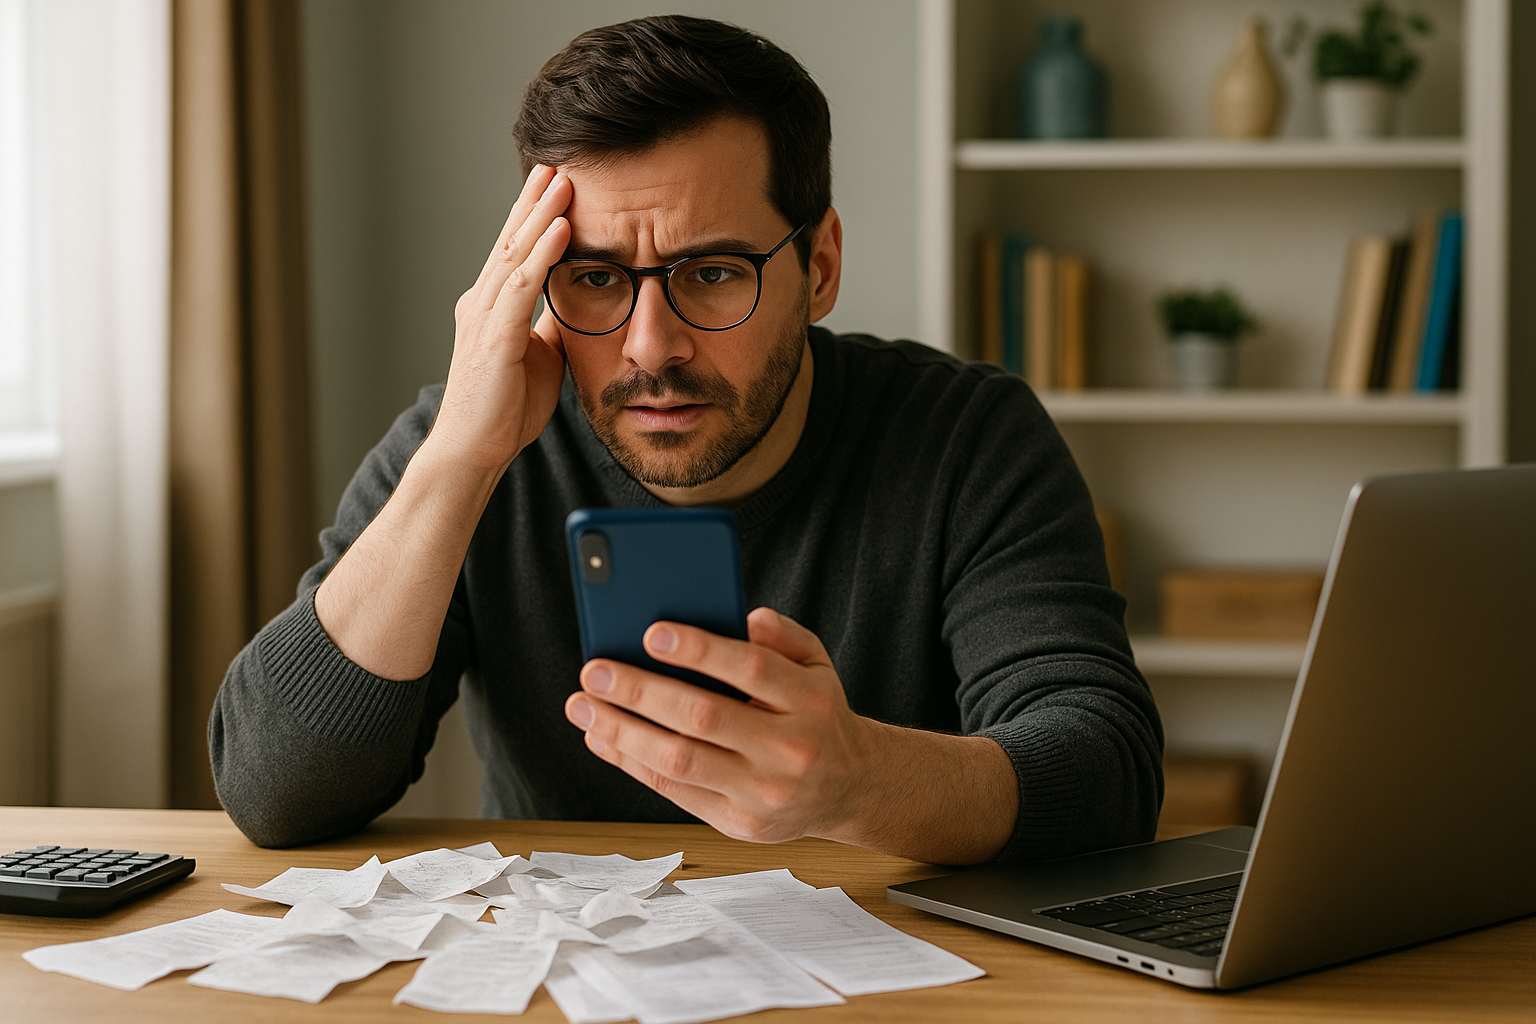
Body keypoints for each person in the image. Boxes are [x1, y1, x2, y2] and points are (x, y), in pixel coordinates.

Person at [210, 15, 1162, 864]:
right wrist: (458, 458)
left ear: (819, 266)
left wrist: (859, 779)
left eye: (710, 272)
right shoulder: (471, 439)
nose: (649, 347)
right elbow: (272, 792)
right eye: (593, 278)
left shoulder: (967, 437)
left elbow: (1104, 769)